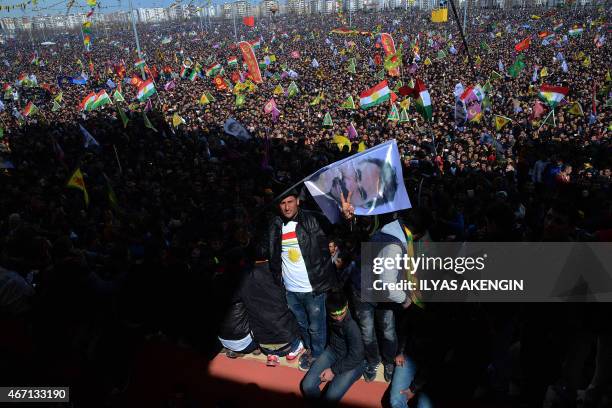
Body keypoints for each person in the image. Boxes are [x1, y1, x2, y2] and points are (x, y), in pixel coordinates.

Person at [268, 189, 336, 371]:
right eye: (282, 203)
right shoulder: (276, 224)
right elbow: (274, 253)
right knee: (301, 323)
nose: (286, 207)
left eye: (290, 202)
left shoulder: (314, 219)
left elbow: (337, 226)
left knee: (316, 327)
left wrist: (346, 216)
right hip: (290, 289)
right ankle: (309, 350)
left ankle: (318, 355)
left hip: (312, 288)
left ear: (298, 201)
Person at [300, 291, 365, 405]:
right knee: (307, 386)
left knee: (329, 399)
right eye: (334, 314)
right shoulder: (329, 315)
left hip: (353, 362)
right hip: (333, 351)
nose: (338, 317)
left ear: (347, 306)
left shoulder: (352, 327)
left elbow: (357, 356)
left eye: (341, 313)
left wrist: (333, 370)